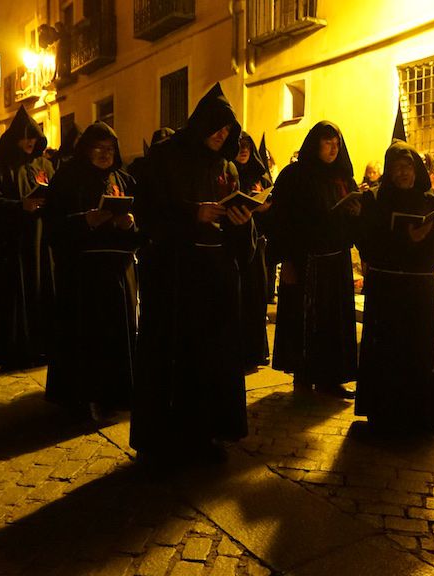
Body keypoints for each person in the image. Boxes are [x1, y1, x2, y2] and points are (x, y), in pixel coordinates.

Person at [130, 83, 254, 461]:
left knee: (212, 356)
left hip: (215, 278)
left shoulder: (227, 166)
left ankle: (208, 432)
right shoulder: (165, 158)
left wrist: (241, 219)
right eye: (216, 128)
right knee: (175, 356)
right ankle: (166, 438)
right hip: (175, 278)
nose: (221, 135)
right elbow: (147, 214)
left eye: (227, 131)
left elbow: (237, 233)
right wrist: (192, 213)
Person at [45, 122, 142, 421]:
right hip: (83, 273)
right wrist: (86, 220)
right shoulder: (66, 179)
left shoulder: (124, 180)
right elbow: (53, 225)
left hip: (119, 270)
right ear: (86, 150)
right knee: (86, 336)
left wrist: (131, 225)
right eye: (99, 148)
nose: (105, 154)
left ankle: (118, 392)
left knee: (118, 333)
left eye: (110, 149)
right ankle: (83, 396)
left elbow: (143, 223)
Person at [356, 140, 434, 433]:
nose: (402, 173)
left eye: (407, 166)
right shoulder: (374, 200)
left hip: (419, 291)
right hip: (386, 290)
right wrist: (406, 240)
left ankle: (422, 416)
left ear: (416, 168)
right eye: (395, 167)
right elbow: (366, 243)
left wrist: (426, 239)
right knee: (386, 352)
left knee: (418, 352)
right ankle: (383, 414)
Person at [267, 121, 360, 397]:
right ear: (315, 143)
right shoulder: (294, 176)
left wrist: (356, 214)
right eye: (327, 142)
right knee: (304, 322)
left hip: (336, 263)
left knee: (335, 323)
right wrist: (286, 261)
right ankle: (304, 376)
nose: (333, 148)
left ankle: (333, 377)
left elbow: (353, 223)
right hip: (306, 262)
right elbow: (281, 221)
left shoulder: (343, 178)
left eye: (337, 143)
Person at [0, 106, 56, 369]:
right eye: (25, 137)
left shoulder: (44, 164)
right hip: (11, 242)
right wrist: (18, 206)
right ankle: (14, 349)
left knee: (41, 288)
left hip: (40, 240)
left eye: (33, 137)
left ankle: (43, 345)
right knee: (16, 293)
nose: (30, 142)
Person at [234, 130, 273, 370]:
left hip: (257, 243)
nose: (244, 149)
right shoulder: (227, 171)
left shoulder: (259, 174)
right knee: (239, 299)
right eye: (239, 145)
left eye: (247, 145)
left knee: (256, 297)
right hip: (235, 248)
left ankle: (256, 351)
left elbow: (272, 205)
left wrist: (265, 207)